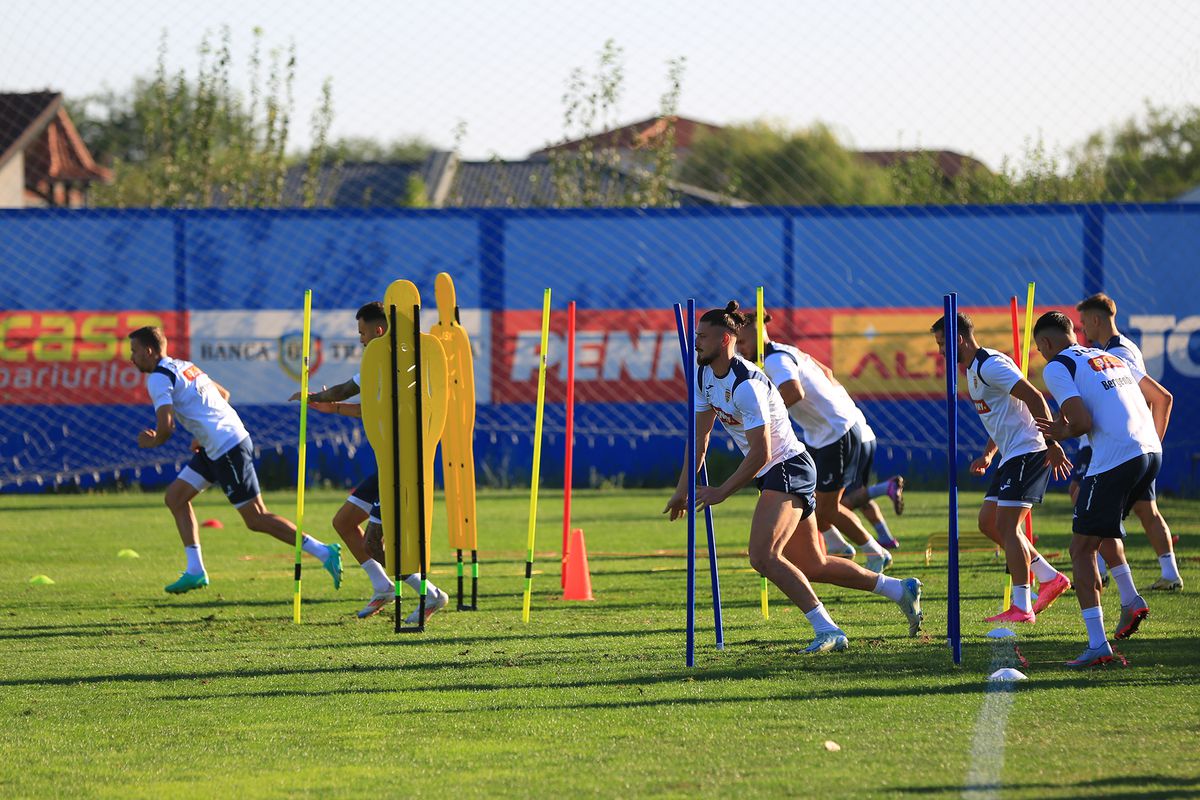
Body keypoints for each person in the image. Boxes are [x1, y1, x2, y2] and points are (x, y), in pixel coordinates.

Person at [664, 302, 923, 654]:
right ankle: (898, 589)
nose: (695, 343)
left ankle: (827, 630)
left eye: (702, 337)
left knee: (762, 555)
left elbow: (761, 454)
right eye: (695, 336)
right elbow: (700, 438)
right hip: (779, 470)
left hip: (787, 467)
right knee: (812, 564)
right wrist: (683, 489)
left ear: (725, 339)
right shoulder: (702, 375)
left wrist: (722, 491)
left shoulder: (747, 386)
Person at [128, 326, 342, 594]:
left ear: (149, 351)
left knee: (256, 518)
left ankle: (323, 551)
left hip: (226, 447)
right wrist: (202, 433)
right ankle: (195, 570)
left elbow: (166, 428)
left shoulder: (158, 379)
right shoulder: (184, 366)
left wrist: (151, 440)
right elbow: (224, 394)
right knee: (175, 497)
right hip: (217, 444)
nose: (131, 357)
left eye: (134, 351)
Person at [291, 301, 450, 622]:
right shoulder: (386, 365)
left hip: (402, 460)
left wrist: (315, 396)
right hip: (388, 459)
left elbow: (346, 388)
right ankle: (383, 586)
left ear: (379, 331)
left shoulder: (385, 360)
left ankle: (431, 595)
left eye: (362, 332)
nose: (360, 339)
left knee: (376, 544)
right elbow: (370, 408)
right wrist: (332, 409)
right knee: (343, 522)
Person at [1032, 311, 1173, 667]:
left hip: (1116, 457)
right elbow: (1160, 397)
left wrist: (1058, 433)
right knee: (1100, 530)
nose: (1041, 355)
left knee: (1080, 548)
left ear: (1046, 343)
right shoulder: (1107, 355)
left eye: (1039, 348)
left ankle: (1097, 645)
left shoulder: (1057, 366)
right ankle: (1131, 600)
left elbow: (1080, 422)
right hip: (1149, 451)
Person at [732, 311, 904, 572]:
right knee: (810, 501)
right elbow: (827, 371)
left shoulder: (775, 360)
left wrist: (763, 418)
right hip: (824, 433)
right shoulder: (785, 351)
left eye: (743, 343)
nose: (741, 350)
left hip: (835, 431)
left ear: (758, 334)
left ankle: (875, 551)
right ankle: (839, 547)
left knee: (828, 509)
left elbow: (793, 391)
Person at [930, 312, 1073, 623]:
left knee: (1008, 527)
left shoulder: (991, 365)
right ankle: (1049, 577)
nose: (941, 351)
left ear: (958, 339)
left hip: (1029, 451)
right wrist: (988, 454)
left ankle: (1022, 606)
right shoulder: (971, 371)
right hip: (1010, 455)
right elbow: (1000, 416)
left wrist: (1051, 443)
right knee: (989, 523)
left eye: (943, 344)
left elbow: (1034, 398)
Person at [1077, 293, 1182, 591]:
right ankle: (1169, 572)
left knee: (1090, 500)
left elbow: (1153, 399)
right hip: (1136, 444)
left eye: (1085, 323)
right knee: (1146, 510)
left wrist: (1152, 443)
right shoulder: (1121, 348)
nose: (1084, 330)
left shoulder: (1119, 354)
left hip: (1127, 445)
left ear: (1097, 320)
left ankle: (1099, 568)